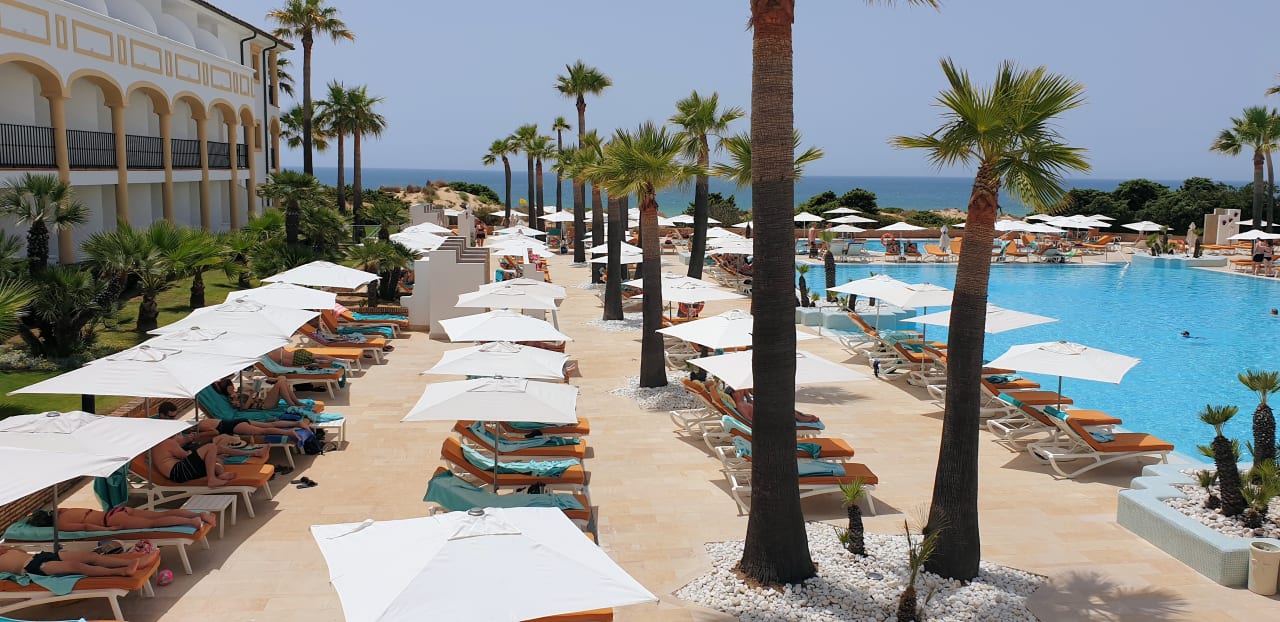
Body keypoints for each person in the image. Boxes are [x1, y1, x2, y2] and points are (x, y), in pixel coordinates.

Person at [157, 400, 311, 442]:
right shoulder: (188, 424)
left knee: (264, 430)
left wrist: (196, 436)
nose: (174, 419)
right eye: (171, 417)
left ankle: (290, 432)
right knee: (268, 424)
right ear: (162, 415)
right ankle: (296, 423)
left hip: (233, 426)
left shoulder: (190, 426)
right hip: (236, 421)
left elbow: (214, 431)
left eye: (174, 416)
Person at [0, 545, 155, 577]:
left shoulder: (4, 549)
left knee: (91, 556)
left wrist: (8, 548)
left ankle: (135, 562)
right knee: (77, 566)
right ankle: (122, 571)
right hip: (32, 567)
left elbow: (22, 551)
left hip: (39, 556)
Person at [29, 505, 214, 531]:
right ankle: (198, 514)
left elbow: (86, 528)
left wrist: (107, 530)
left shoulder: (61, 524)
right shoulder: (63, 510)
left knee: (153, 524)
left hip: (111, 520)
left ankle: (191, 522)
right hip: (118, 510)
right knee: (161, 514)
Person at [153, 431, 235, 486]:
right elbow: (185, 455)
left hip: (177, 474)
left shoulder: (156, 444)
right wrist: (195, 452)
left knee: (216, 462)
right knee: (211, 447)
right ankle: (212, 479)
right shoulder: (168, 442)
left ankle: (220, 474)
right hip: (178, 471)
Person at [211, 377, 309, 409]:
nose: (232, 387)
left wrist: (255, 392)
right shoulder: (232, 398)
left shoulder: (236, 393)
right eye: (230, 387)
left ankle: (295, 402)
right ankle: (292, 404)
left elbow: (252, 400)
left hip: (262, 401)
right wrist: (250, 395)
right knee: (281, 382)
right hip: (263, 405)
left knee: (282, 380)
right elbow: (244, 408)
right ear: (226, 389)